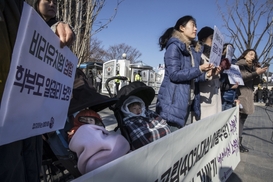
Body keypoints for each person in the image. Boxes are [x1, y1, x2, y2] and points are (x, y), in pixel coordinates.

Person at [0, 1, 74, 181]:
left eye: (55, 1)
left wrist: (57, 28)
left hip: (31, 121)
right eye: (46, 0)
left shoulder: (25, 15)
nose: (52, 3)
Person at [156, 15, 213, 131]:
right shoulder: (174, 47)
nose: (196, 29)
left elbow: (191, 77)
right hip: (172, 103)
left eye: (196, 26)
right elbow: (174, 75)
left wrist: (206, 74)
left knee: (177, 141)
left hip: (186, 102)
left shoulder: (193, 50)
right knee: (169, 143)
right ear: (182, 28)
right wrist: (199, 69)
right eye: (193, 25)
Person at [68, 109, 130, 174]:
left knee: (114, 138)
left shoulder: (97, 129)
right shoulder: (79, 129)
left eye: (91, 120)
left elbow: (103, 135)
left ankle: (113, 151)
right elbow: (75, 138)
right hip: (91, 150)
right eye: (85, 120)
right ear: (79, 121)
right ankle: (113, 153)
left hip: (102, 144)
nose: (88, 122)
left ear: (96, 122)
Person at [236, 49, 268, 152]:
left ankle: (238, 142)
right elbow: (242, 77)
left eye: (254, 55)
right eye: (250, 54)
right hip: (240, 95)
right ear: (244, 55)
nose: (252, 56)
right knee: (238, 120)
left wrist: (258, 72)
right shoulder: (240, 64)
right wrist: (255, 73)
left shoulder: (251, 67)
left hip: (248, 95)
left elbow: (255, 82)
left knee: (242, 119)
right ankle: (236, 143)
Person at [194, 26, 223, 120]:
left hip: (216, 97)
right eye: (211, 38)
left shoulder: (217, 57)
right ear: (203, 39)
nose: (214, 41)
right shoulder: (197, 55)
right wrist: (208, 74)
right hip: (203, 99)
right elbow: (193, 75)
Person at [220, 43, 239, 111]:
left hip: (231, 96)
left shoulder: (234, 63)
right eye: (229, 49)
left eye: (232, 49)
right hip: (222, 95)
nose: (230, 51)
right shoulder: (219, 61)